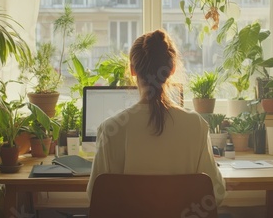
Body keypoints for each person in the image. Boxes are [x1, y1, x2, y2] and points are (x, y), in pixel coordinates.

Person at [86, 29, 226, 207]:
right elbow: (217, 193)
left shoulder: (109, 129)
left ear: (132, 69)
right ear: (172, 68)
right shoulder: (196, 125)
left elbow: (95, 198)